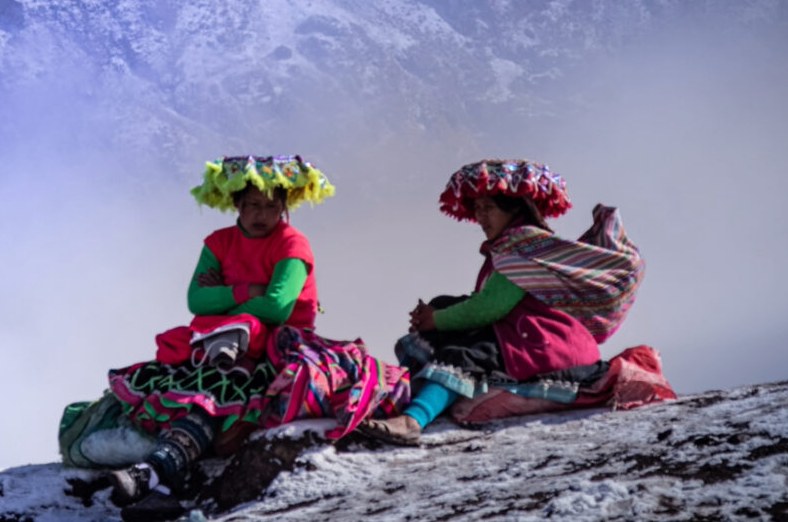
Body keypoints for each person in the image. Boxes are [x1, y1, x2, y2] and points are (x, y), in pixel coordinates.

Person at [58, 155, 409, 518]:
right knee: (202, 389)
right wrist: (248, 291)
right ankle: (159, 483)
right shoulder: (219, 242)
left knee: (220, 394)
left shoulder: (292, 245)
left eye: (272, 207)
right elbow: (196, 299)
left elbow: (277, 309)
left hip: (278, 349)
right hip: (220, 344)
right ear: (237, 205)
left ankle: (155, 474)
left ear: (284, 210)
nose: (262, 214)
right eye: (253, 205)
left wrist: (225, 294)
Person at [358, 159, 652, 445]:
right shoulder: (515, 246)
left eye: (488, 208)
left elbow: (489, 308)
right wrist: (439, 310)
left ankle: (413, 420)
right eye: (477, 209)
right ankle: (402, 395)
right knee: (445, 304)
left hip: (546, 342)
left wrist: (435, 319)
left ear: (514, 209)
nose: (480, 217)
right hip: (533, 334)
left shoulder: (519, 247)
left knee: (464, 354)